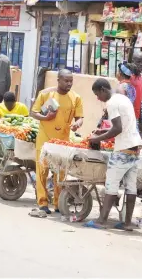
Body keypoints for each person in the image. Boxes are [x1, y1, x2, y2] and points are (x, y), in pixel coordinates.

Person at [88, 78, 142, 230]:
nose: (98, 98)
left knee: (111, 186)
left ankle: (101, 220)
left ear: (103, 90)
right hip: (134, 148)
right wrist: (104, 131)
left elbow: (118, 128)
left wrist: (97, 138)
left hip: (123, 150)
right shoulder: (123, 98)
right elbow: (124, 126)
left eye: (97, 94)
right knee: (130, 188)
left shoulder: (111, 103)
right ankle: (127, 223)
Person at [31, 69, 84, 214]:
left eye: (71, 81)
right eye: (66, 81)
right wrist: (45, 118)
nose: (69, 83)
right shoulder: (46, 94)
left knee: (60, 174)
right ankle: (42, 203)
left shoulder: (76, 98)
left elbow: (80, 117)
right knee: (42, 171)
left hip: (63, 142)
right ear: (58, 80)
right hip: (44, 140)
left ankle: (58, 203)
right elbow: (33, 112)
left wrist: (78, 123)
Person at [130, 51, 142, 122]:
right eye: (138, 62)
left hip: (138, 114)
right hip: (129, 114)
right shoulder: (128, 77)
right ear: (133, 61)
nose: (141, 64)